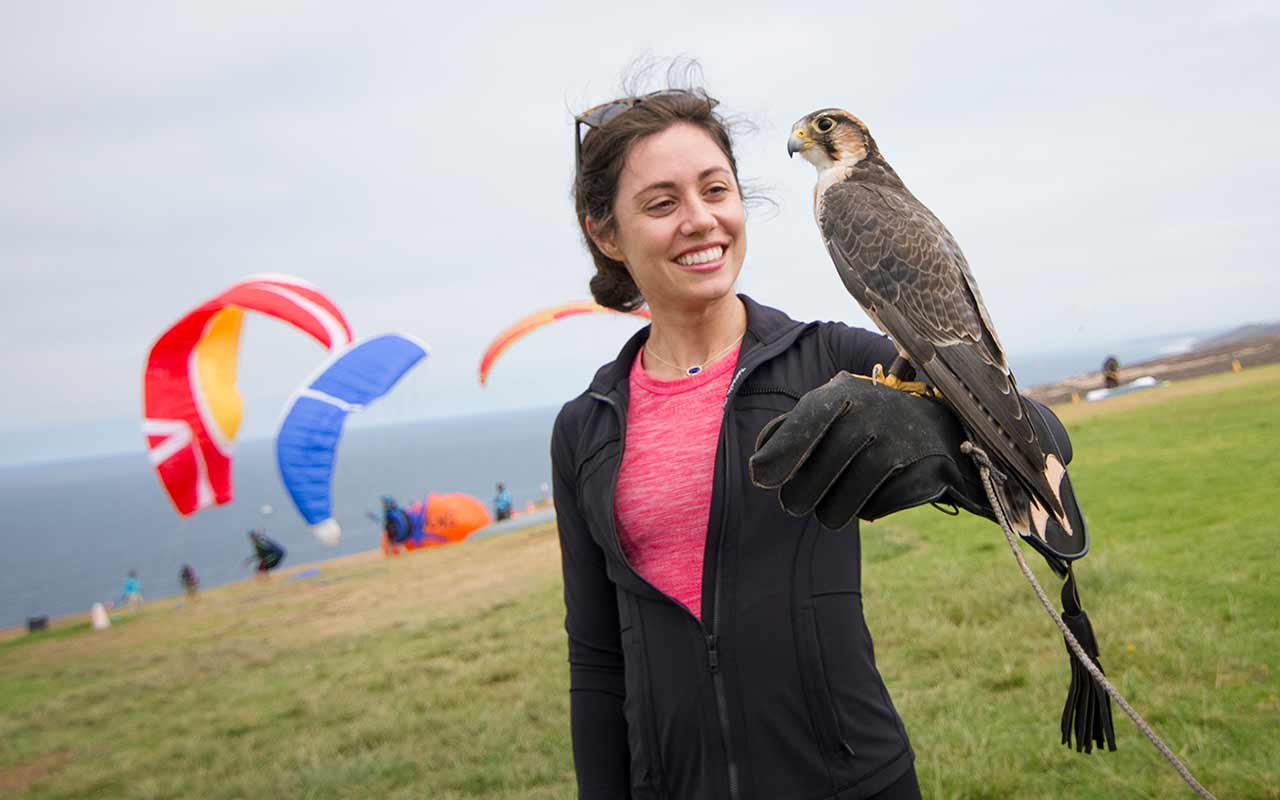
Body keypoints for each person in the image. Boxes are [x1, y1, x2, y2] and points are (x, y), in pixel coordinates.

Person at [553, 83, 1083, 799]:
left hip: (852, 782)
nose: (701, 220)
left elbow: (1034, 431)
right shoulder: (586, 426)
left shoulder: (830, 362)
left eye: (717, 189)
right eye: (661, 203)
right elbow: (595, 659)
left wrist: (932, 437)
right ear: (606, 233)